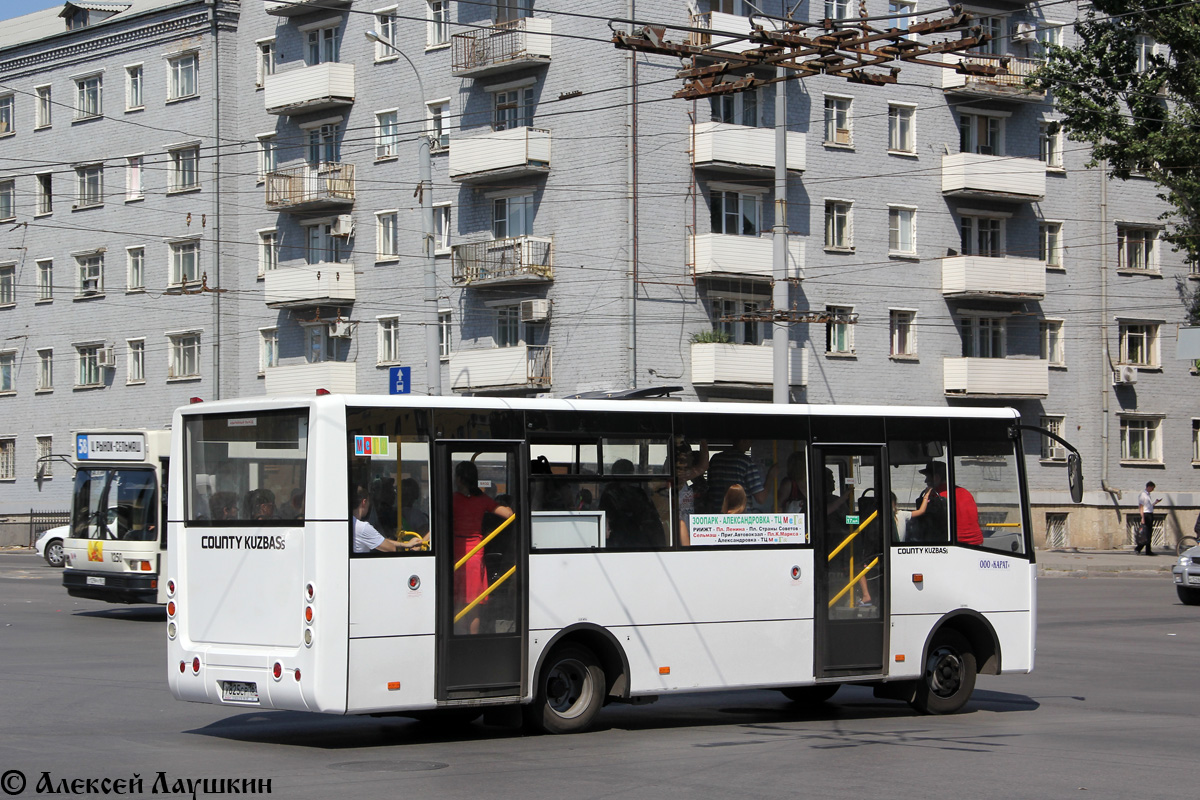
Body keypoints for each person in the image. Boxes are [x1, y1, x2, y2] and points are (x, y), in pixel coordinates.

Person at [453, 460, 513, 634]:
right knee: (473, 605)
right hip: (475, 554)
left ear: (460, 479)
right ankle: (472, 641)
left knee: (458, 602)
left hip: (458, 551)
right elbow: (509, 514)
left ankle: (460, 638)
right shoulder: (483, 500)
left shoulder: (454, 499)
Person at [910, 461, 982, 546]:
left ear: (936, 477)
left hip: (954, 544)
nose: (925, 481)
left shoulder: (935, 497)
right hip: (976, 543)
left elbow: (928, 525)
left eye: (927, 477)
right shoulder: (965, 492)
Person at [598, 459, 665, 549]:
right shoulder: (638, 493)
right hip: (633, 538)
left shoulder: (608, 492)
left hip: (619, 540)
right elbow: (650, 517)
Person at [705, 440, 776, 513]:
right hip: (741, 517)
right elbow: (761, 498)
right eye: (750, 440)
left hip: (716, 516)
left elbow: (710, 488)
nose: (751, 443)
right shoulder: (746, 462)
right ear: (742, 441)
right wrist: (770, 476)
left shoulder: (715, 459)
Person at [351, 485, 419, 554]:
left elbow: (379, 540)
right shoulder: (362, 527)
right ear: (364, 502)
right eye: (369, 502)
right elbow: (391, 548)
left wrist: (405, 544)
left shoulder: (352, 523)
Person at [674, 439, 709, 545]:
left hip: (687, 528)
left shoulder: (683, 478)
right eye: (688, 456)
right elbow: (703, 467)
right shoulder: (679, 476)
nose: (691, 459)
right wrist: (703, 441)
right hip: (680, 531)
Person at [1135, 481, 1161, 555]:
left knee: (1149, 533)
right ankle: (1139, 548)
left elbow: (1148, 506)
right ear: (1149, 487)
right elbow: (1141, 506)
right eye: (1152, 488)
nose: (1153, 490)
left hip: (1150, 514)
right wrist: (1142, 517)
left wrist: (1155, 503)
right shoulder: (1143, 495)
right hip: (1146, 515)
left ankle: (1147, 550)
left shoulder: (1148, 495)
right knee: (1146, 533)